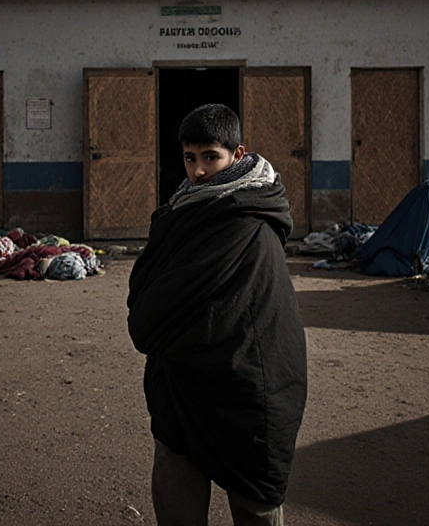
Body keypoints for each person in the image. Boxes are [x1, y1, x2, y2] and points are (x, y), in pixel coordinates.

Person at [127, 103, 308, 526]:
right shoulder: (183, 209)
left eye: (211, 156)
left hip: (241, 384)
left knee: (253, 503)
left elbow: (265, 311)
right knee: (177, 492)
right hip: (181, 381)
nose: (200, 170)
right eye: (190, 158)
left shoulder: (252, 221)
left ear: (237, 154)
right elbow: (155, 283)